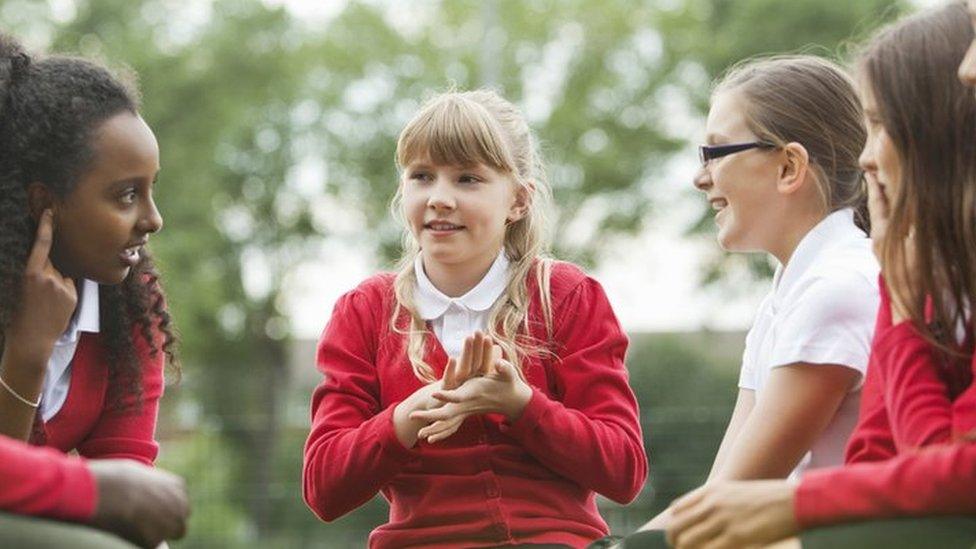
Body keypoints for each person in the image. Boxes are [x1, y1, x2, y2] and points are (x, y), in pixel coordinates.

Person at [659, 3, 976, 548]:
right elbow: (886, 458)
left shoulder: (839, 284)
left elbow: (950, 474)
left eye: (879, 126)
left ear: (789, 167)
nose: (867, 157)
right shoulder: (828, 285)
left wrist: (798, 506)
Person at [303, 89, 647, 548]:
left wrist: (521, 405)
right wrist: (409, 414)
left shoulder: (566, 297)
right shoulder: (365, 311)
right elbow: (324, 489)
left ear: (518, 201)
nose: (439, 198)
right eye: (422, 176)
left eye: (468, 179)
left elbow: (624, 472)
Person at [637, 55, 878, 535]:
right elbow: (717, 492)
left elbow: (733, 496)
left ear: (790, 166)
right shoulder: (788, 296)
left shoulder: (837, 288)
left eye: (716, 153)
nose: (700, 177)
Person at [0, 34, 188, 548]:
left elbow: (129, 487)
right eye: (126, 195)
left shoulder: (133, 303)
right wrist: (27, 354)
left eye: (152, 189)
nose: (153, 219)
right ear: (44, 202)